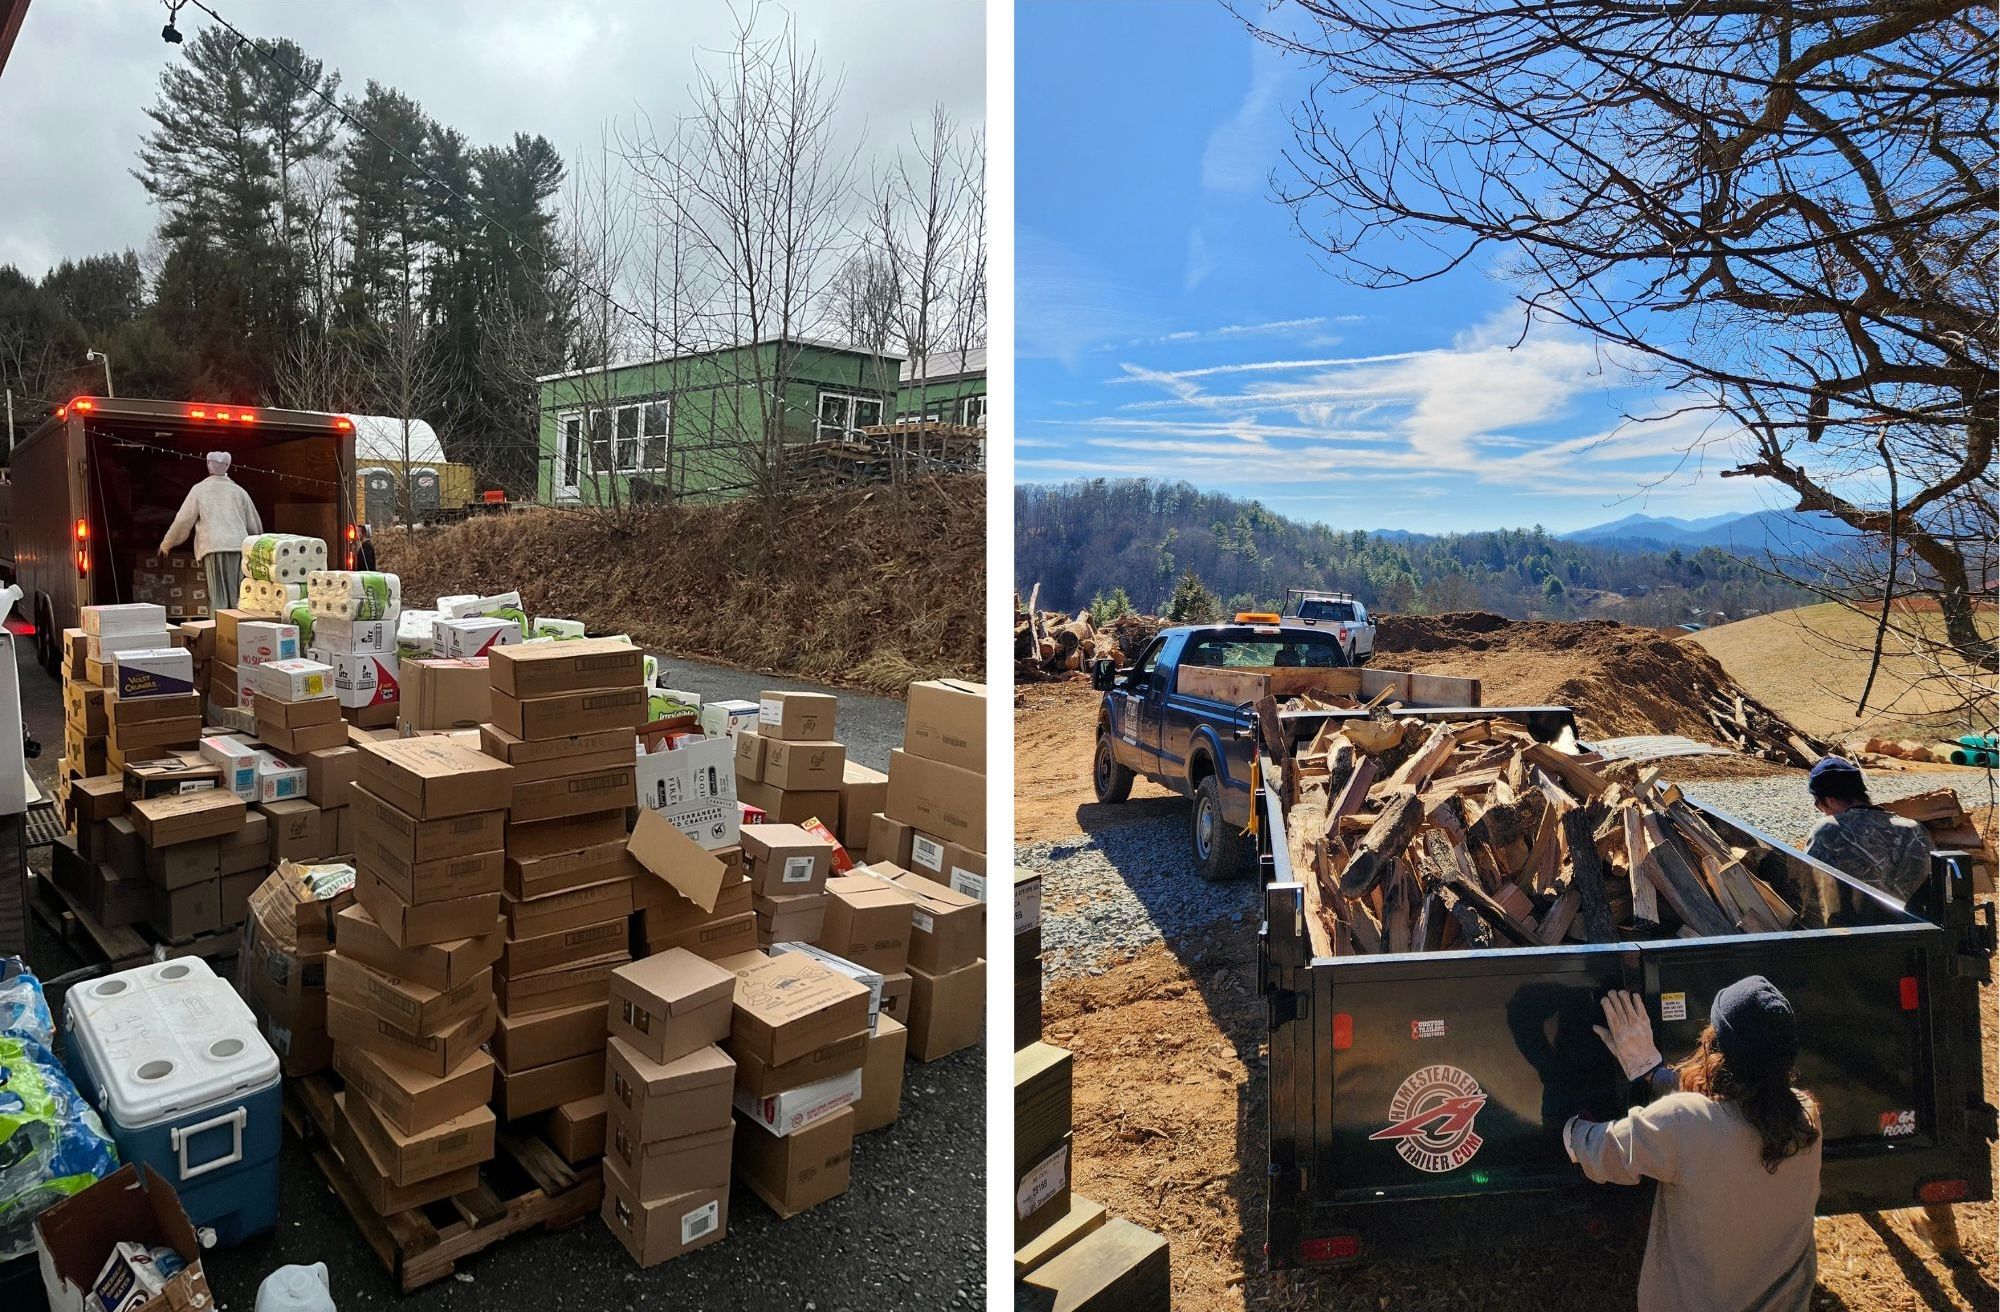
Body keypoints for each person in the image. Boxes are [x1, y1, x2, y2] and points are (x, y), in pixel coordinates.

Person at [1566, 978, 1822, 1312]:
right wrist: (1652, 1072)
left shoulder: (1684, 1123)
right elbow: (1730, 1108)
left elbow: (1600, 1152)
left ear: (1716, 1049)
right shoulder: (1806, 1116)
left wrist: (1570, 1127)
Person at [1802, 755, 1931, 900]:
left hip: (1853, 921)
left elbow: (1807, 887)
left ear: (1830, 800)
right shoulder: (1914, 830)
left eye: (1818, 804)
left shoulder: (1827, 829)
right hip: (1913, 922)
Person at [160, 451, 262, 612]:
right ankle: (238, 630)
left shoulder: (199, 490)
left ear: (208, 465)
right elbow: (254, 525)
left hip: (213, 547)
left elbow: (183, 520)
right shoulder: (239, 491)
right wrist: (256, 549)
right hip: (238, 547)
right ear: (228, 466)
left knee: (217, 598)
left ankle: (220, 632)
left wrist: (167, 544)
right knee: (239, 597)